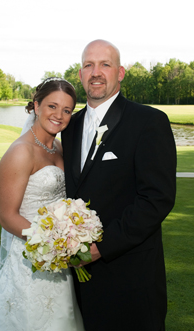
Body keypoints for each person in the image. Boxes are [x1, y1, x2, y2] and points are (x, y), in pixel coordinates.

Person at [62, 40, 175, 331]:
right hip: (78, 284)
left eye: (105, 64)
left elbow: (157, 199)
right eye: (89, 65)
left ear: (120, 73)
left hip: (131, 279)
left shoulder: (149, 121)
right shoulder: (69, 127)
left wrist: (101, 247)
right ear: (80, 74)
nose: (96, 72)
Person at [0, 78, 84, 330]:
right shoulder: (20, 151)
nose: (59, 116)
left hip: (59, 258)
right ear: (36, 105)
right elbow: (7, 216)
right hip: (31, 255)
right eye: (52, 106)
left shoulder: (59, 148)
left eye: (67, 110)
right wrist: (51, 243)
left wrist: (70, 236)